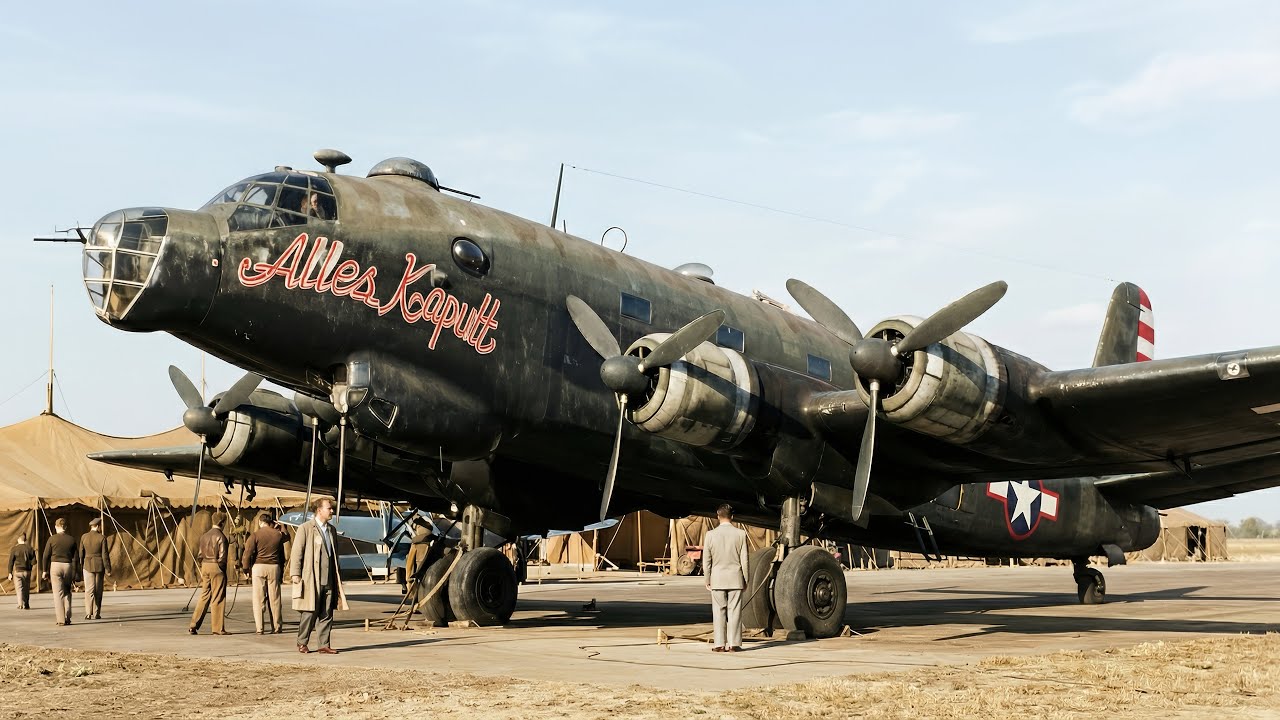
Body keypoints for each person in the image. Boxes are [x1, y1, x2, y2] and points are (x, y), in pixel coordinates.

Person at [290, 498, 348, 654]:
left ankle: (324, 644)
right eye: (329, 508)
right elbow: (297, 552)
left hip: (328, 578)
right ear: (319, 510)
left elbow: (334, 555)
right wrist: (295, 573)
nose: (332, 511)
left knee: (327, 612)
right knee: (309, 612)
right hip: (311, 577)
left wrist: (338, 576)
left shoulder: (331, 530)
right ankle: (302, 642)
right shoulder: (305, 528)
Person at [702, 503, 749, 653]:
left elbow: (706, 561)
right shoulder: (740, 534)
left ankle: (719, 644)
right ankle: (734, 644)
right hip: (735, 578)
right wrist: (745, 579)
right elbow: (745, 560)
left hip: (717, 579)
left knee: (718, 611)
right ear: (732, 517)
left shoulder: (710, 535)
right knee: (735, 611)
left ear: (718, 516)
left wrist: (707, 579)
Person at [242, 512, 289, 634]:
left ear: (260, 522)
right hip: (274, 567)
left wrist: (245, 568)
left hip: (259, 567)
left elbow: (247, 553)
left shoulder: (255, 535)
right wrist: (281, 525)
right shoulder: (277, 534)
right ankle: (277, 626)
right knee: (275, 598)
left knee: (258, 599)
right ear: (271, 522)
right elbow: (287, 537)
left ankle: (260, 628)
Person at [189, 512, 230, 635]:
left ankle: (193, 624)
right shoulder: (221, 537)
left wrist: (203, 566)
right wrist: (221, 570)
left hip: (205, 566)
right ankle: (218, 628)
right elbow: (222, 557)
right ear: (222, 523)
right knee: (218, 597)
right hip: (216, 566)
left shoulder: (204, 536)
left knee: (204, 595)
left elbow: (199, 555)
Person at [41, 518, 79, 626]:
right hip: (68, 566)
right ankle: (68, 616)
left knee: (58, 593)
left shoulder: (51, 539)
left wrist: (44, 570)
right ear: (65, 527)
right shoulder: (72, 539)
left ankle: (61, 619)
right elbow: (75, 558)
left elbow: (45, 556)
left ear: (55, 527)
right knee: (67, 591)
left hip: (55, 566)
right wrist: (75, 572)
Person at [79, 517, 111, 620]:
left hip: (87, 565)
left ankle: (88, 613)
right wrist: (108, 569)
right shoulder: (102, 538)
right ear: (98, 526)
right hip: (99, 565)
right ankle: (97, 613)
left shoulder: (84, 537)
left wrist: (81, 564)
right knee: (98, 590)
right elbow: (105, 555)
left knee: (89, 590)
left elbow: (81, 553)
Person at [7, 534, 36, 609]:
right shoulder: (30, 548)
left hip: (18, 571)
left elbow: (11, 562)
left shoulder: (14, 549)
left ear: (18, 539)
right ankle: (26, 604)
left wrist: (10, 573)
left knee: (19, 588)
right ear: (25, 540)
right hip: (27, 571)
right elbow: (34, 562)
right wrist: (30, 567)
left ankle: (20, 604)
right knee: (26, 588)